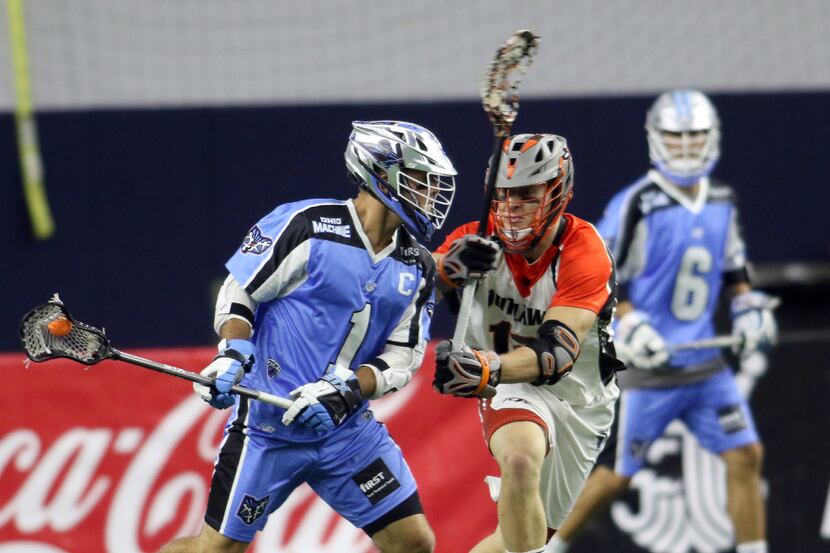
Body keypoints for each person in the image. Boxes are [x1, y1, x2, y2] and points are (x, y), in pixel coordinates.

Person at [160, 120, 457, 553]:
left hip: (346, 432)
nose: (431, 195)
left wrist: (347, 391)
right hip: (268, 428)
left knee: (413, 542)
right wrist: (233, 352)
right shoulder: (307, 225)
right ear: (380, 172)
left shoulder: (418, 265)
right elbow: (240, 288)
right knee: (217, 548)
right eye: (420, 180)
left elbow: (403, 357)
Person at [547, 90, 777, 553]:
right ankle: (547, 547)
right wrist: (629, 323)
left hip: (705, 364)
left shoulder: (722, 199)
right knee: (612, 477)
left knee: (745, 453)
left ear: (712, 139)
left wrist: (749, 308)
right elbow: (595, 270)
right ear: (656, 139)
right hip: (648, 371)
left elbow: (732, 267)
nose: (687, 147)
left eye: (696, 137)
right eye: (677, 137)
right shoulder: (638, 202)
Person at [431, 133, 622, 553]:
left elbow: (557, 353)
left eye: (526, 195)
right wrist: (443, 270)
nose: (512, 208)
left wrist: (486, 367)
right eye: (504, 195)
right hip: (512, 389)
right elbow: (408, 285)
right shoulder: (475, 241)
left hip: (580, 401)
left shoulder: (583, 250)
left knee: (518, 540)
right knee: (519, 460)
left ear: (558, 193)